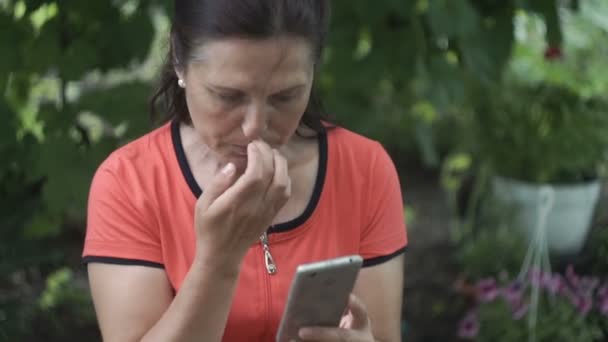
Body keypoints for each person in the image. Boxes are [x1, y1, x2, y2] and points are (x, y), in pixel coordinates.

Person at [82, 1, 408, 341]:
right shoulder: (129, 182)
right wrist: (219, 260)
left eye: (284, 97)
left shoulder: (363, 170)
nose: (254, 127)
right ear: (179, 59)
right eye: (228, 96)